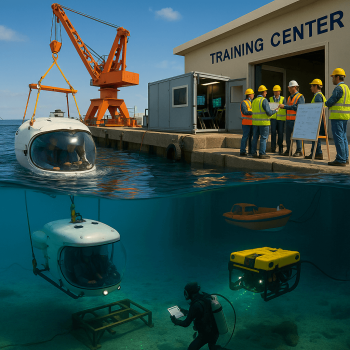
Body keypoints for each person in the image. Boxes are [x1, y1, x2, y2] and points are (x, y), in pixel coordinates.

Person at [170, 282, 222, 350]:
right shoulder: (206, 296)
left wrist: (175, 321)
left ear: (190, 292)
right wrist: (184, 311)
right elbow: (202, 312)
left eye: (186, 292)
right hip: (215, 330)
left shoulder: (195, 305)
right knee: (212, 347)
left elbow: (186, 323)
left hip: (205, 334)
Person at [325, 68, 350, 166]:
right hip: (344, 116)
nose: (332, 79)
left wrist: (326, 103)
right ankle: (345, 158)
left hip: (337, 116)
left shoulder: (339, 88)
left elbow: (331, 101)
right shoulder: (347, 88)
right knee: (343, 137)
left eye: (333, 77)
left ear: (338, 77)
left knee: (339, 138)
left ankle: (340, 159)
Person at [278, 80, 305, 157]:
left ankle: (299, 151)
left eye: (290, 87)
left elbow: (297, 107)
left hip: (297, 120)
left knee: (297, 136)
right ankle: (288, 150)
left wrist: (285, 107)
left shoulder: (300, 97)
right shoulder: (289, 97)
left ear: (295, 87)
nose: (288, 89)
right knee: (288, 137)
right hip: (289, 120)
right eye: (288, 87)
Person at [251, 85, 277, 159]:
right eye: (266, 92)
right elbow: (268, 113)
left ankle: (253, 152)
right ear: (264, 92)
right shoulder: (264, 100)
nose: (266, 93)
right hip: (264, 123)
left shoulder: (254, 100)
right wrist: (275, 111)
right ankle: (262, 153)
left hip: (255, 123)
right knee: (263, 138)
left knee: (255, 137)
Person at [305, 79, 327, 160]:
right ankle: (317, 153)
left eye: (312, 86)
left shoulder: (317, 96)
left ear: (316, 86)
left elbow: (317, 109)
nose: (311, 88)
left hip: (316, 120)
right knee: (316, 137)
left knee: (315, 137)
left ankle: (316, 153)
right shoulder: (320, 95)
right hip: (319, 119)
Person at [269, 85, 286, 155]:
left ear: (280, 92)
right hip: (273, 119)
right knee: (273, 133)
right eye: (275, 91)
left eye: (277, 91)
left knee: (280, 134)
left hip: (281, 119)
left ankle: (280, 149)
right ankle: (273, 148)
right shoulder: (270, 99)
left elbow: (285, 107)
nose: (276, 92)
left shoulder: (283, 99)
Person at [239, 89, 254, 156]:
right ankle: (242, 151)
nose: (253, 95)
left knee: (251, 137)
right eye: (252, 94)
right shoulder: (243, 102)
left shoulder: (252, 102)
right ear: (249, 95)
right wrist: (253, 113)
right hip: (245, 123)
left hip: (251, 123)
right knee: (245, 137)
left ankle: (250, 151)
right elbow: (245, 112)